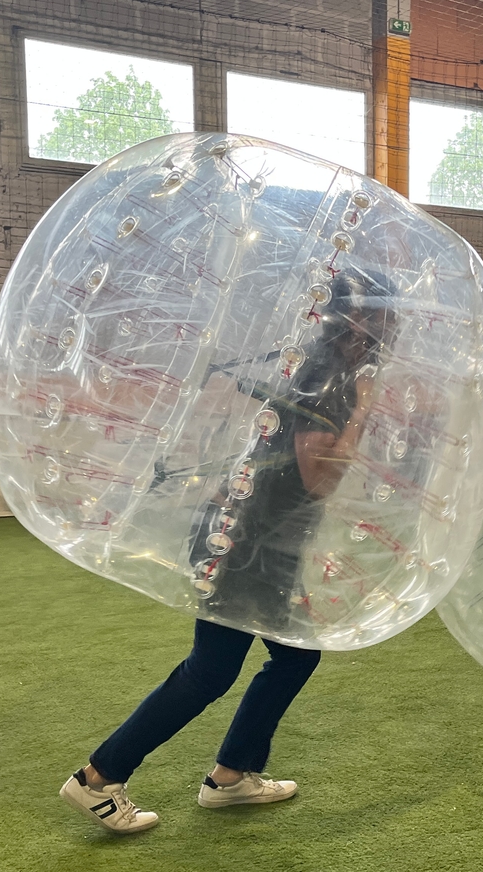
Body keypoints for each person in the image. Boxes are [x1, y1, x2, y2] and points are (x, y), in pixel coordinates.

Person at [60, 270, 392, 833]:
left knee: (280, 658)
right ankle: (100, 778)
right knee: (214, 672)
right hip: (245, 546)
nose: (394, 327)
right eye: (385, 315)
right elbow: (319, 479)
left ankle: (230, 777)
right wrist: (363, 408)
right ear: (358, 321)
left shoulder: (319, 369)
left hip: (249, 539)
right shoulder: (329, 378)